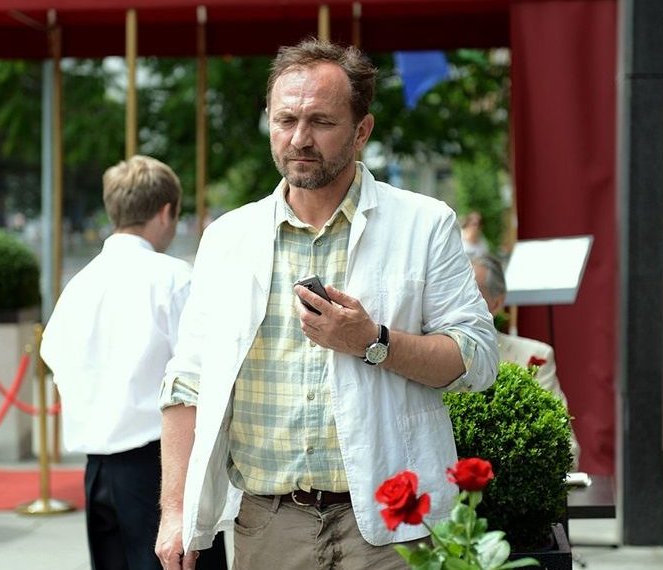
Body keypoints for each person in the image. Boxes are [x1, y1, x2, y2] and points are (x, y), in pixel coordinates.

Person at [156, 40, 498, 570]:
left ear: (362, 130)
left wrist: (373, 342)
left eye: (320, 121)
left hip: (393, 526)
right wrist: (176, 511)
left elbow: (477, 358)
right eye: (285, 119)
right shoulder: (227, 238)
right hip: (268, 524)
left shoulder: (425, 224)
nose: (299, 138)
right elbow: (187, 382)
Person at [40, 155, 227, 570]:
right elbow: (201, 371)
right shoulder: (175, 278)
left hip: (98, 470)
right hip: (161, 467)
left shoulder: (78, 285)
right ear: (166, 212)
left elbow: (53, 358)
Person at [470, 253, 581, 468]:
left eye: (471, 292)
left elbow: (566, 448)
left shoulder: (534, 356)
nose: (458, 301)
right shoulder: (426, 357)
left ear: (497, 303)